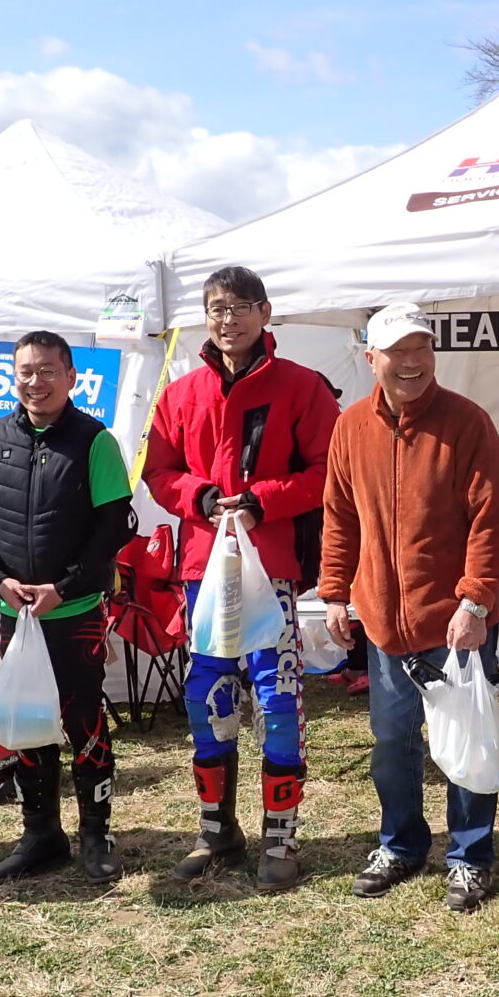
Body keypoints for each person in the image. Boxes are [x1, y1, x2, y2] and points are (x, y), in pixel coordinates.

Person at [143, 266, 340, 892]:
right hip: (203, 571)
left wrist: (263, 501)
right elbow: (157, 470)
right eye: (217, 308)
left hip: (272, 568)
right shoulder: (181, 393)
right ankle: (216, 831)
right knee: (209, 700)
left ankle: (280, 837)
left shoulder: (303, 387)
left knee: (277, 701)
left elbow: (328, 470)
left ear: (264, 312)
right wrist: (200, 498)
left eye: (240, 307)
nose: (228, 320)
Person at [320, 301, 499, 913]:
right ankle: (401, 844)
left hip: (455, 621)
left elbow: (491, 519)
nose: (411, 362)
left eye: (421, 349)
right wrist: (335, 591)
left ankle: (470, 856)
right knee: (391, 741)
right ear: (370, 358)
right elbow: (340, 517)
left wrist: (475, 599)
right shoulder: (351, 427)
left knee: (466, 739)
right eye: (397, 351)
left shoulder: (467, 422)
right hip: (383, 622)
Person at [0, 331, 134, 883]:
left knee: (84, 722)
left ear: (71, 377)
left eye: (48, 371)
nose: (36, 382)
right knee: (28, 720)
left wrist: (66, 585)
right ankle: (40, 835)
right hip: (17, 612)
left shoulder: (94, 440)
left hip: (74, 611)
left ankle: (96, 835)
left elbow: (114, 525)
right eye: (26, 372)